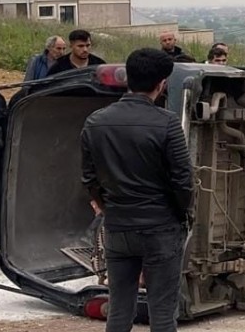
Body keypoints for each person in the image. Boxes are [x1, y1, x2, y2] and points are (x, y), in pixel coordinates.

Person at [81, 48, 193, 332]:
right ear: (162, 84)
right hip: (161, 228)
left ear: (127, 78)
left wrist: (107, 209)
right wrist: (181, 216)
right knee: (162, 315)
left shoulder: (95, 122)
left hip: (118, 226)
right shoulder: (167, 123)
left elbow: (89, 178)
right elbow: (183, 181)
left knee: (119, 311)